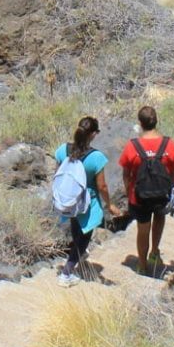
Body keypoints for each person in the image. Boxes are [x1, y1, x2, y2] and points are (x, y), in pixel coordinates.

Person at [117, 105, 174, 276]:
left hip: (139, 197)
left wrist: (128, 192)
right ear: (156, 122)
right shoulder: (168, 144)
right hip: (163, 194)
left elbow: (126, 174)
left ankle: (142, 264)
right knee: (159, 219)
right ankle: (154, 252)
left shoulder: (133, 146)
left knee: (142, 229)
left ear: (140, 123)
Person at [51, 116, 112, 286]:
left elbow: (57, 174)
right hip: (87, 202)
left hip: (68, 199)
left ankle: (79, 254)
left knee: (76, 227)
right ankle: (67, 273)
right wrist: (109, 204)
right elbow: (102, 186)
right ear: (93, 134)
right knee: (84, 236)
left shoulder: (63, 150)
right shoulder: (96, 157)